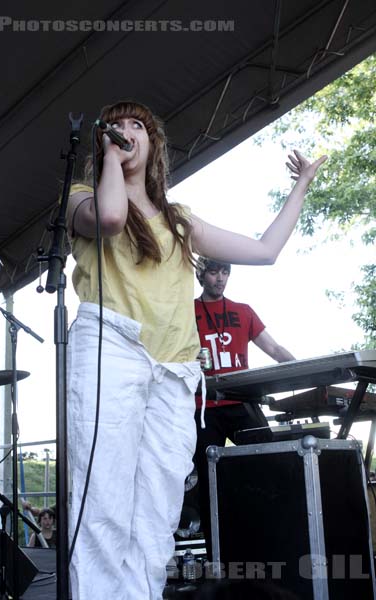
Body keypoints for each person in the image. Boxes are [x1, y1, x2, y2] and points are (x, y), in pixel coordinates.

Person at [65, 99, 327, 600]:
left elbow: (265, 251)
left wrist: (302, 185)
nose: (124, 131)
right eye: (115, 126)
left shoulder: (178, 219)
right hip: (111, 349)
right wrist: (109, 161)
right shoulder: (83, 196)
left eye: (136, 125)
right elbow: (114, 217)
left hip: (175, 369)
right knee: (102, 500)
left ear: (154, 142)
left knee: (158, 509)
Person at [193, 257, 295, 559]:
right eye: (213, 272)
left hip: (242, 401)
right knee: (207, 480)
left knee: (271, 465)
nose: (220, 278)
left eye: (225, 272)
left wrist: (306, 370)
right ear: (201, 274)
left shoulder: (243, 311)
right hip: (203, 406)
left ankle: (274, 544)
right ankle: (216, 560)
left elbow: (274, 349)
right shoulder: (185, 311)